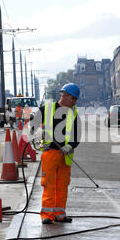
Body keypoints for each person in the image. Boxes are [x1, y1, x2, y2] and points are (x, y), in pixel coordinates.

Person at [31, 83, 81, 225]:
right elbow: (33, 124)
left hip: (66, 155)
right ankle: (47, 214)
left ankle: (60, 213)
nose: (74, 102)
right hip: (50, 153)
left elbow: (77, 136)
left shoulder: (74, 114)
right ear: (64, 96)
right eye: (72, 99)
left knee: (62, 184)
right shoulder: (47, 109)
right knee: (49, 184)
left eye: (75, 100)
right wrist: (38, 134)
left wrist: (70, 145)